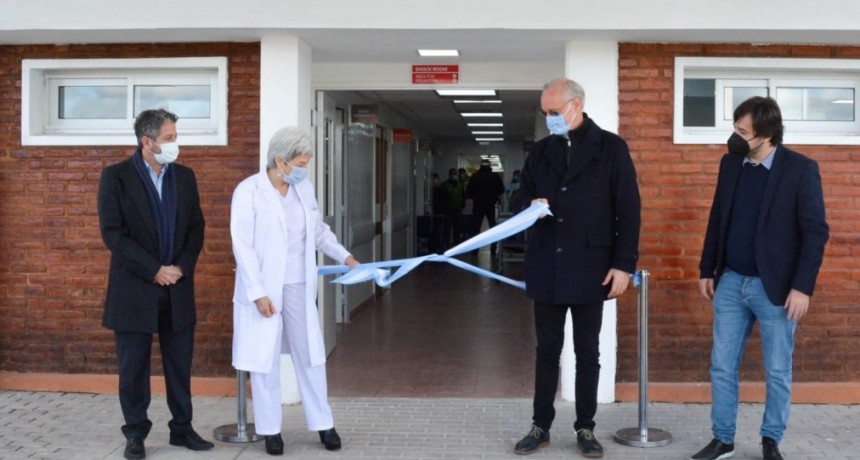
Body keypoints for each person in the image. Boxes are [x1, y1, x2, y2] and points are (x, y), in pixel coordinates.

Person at [692, 97, 829, 460]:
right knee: (722, 366)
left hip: (779, 290)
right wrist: (708, 268)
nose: (734, 138)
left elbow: (815, 232)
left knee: (778, 369)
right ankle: (723, 439)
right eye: (735, 129)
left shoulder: (800, 169)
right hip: (731, 283)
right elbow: (717, 217)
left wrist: (802, 287)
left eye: (742, 132)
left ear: (766, 135)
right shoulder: (731, 164)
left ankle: (771, 440)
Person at [513, 78, 641, 458]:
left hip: (592, 267)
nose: (550, 119)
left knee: (587, 351)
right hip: (548, 265)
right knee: (547, 350)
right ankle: (541, 426)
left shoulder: (612, 148)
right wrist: (531, 205)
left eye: (554, 112)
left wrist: (624, 265)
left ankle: (585, 427)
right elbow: (520, 199)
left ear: (576, 105)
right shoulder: (540, 152)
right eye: (545, 113)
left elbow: (629, 211)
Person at [230, 127, 359, 456]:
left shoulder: (304, 190)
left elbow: (318, 232)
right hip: (264, 289)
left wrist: (344, 256)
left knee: (311, 355)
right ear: (279, 160)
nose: (304, 169)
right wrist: (257, 292)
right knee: (265, 360)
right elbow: (241, 246)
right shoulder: (249, 192)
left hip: (299, 284)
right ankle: (271, 430)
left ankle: (323, 423)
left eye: (307, 162)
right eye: (300, 162)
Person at [98, 108, 212, 460]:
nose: (176, 144)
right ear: (147, 142)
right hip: (134, 289)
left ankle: (182, 428)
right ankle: (135, 433)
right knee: (133, 368)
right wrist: (154, 269)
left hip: (177, 286)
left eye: (175, 136)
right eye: (169, 138)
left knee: (179, 363)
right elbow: (113, 234)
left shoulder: (185, 177)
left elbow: (197, 228)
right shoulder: (115, 178)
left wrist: (180, 266)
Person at [465, 159, 505, 253]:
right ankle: (493, 248)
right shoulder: (495, 176)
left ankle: (474, 249)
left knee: (476, 227)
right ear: (490, 166)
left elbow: (469, 191)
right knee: (493, 226)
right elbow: (501, 190)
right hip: (491, 204)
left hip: (478, 205)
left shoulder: (475, 176)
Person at [441, 167, 466, 246]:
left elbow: (463, 195)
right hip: (448, 210)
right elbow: (443, 197)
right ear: (449, 175)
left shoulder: (460, 184)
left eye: (455, 174)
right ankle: (446, 244)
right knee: (447, 228)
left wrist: (462, 205)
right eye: (452, 174)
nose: (454, 175)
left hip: (458, 209)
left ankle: (457, 243)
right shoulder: (445, 184)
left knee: (457, 228)